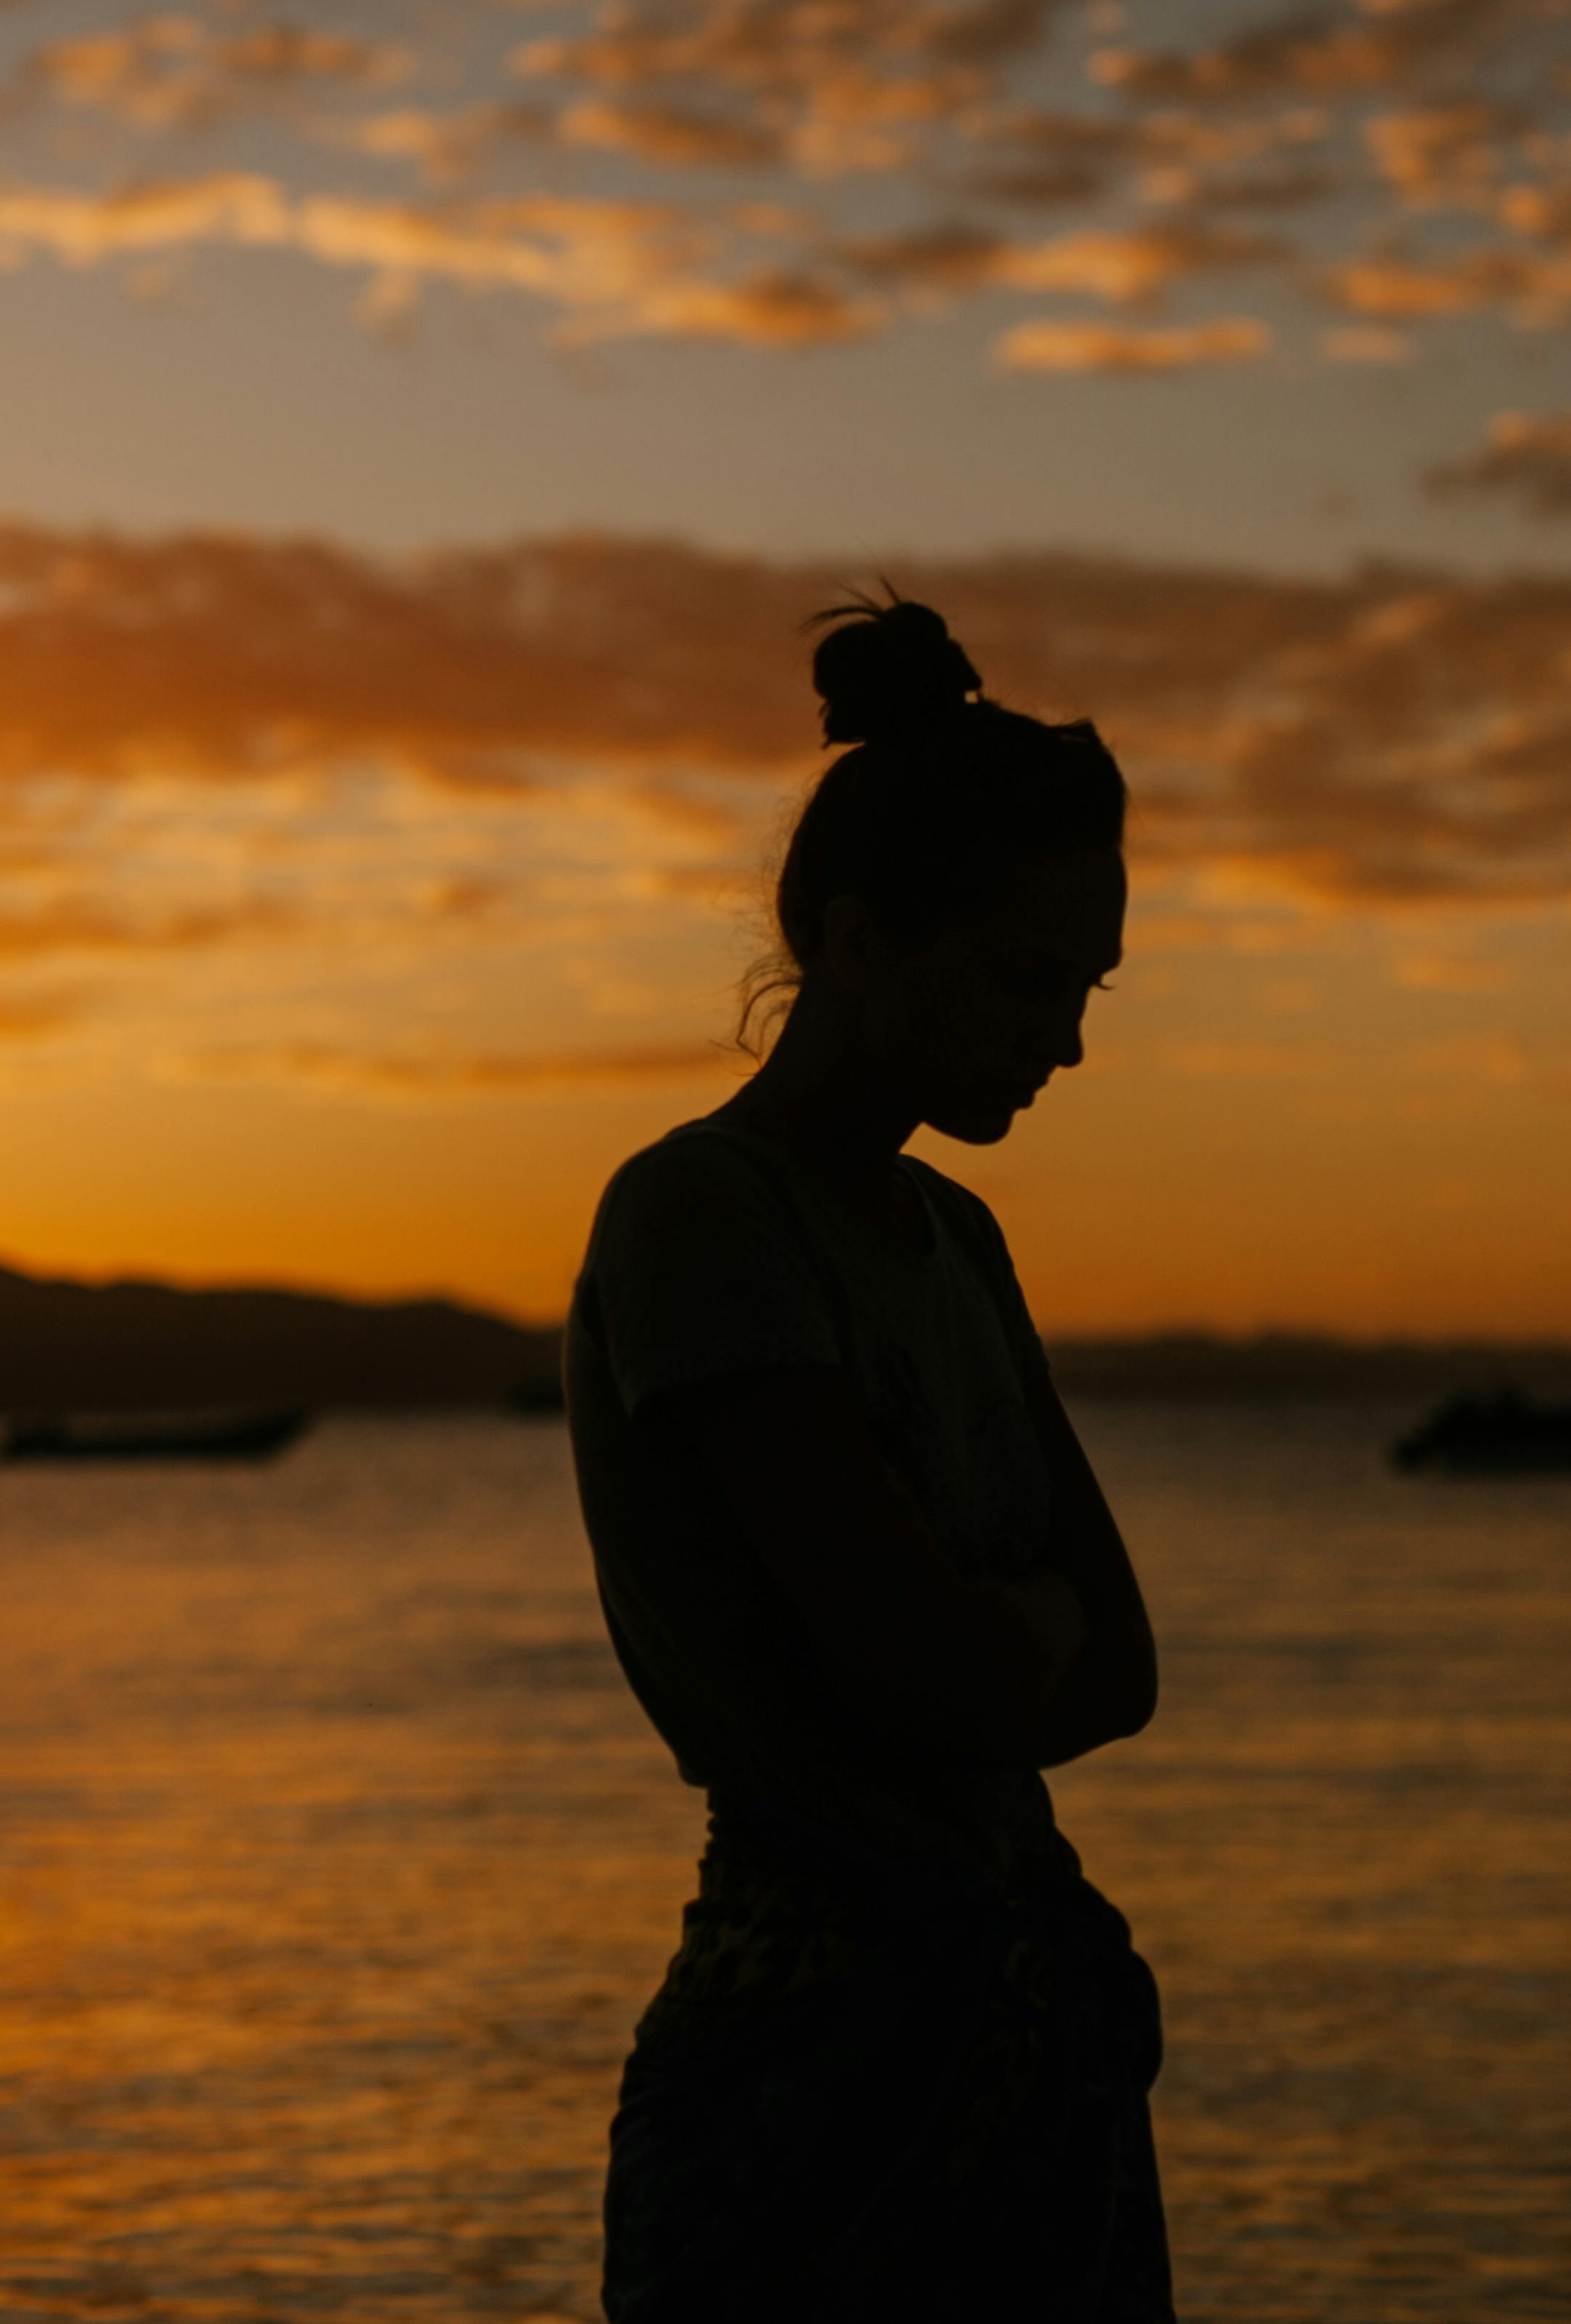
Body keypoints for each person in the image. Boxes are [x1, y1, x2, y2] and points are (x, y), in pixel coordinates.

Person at [565, 594, 1167, 2321]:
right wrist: (996, 1634)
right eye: (1027, 978)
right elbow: (913, 1661)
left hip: (1017, 2032)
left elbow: (1118, 1668)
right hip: (814, 2060)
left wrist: (996, 1641)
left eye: (1087, 988)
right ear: (856, 940)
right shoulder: (702, 1219)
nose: (1061, 1039)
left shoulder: (957, 1242)